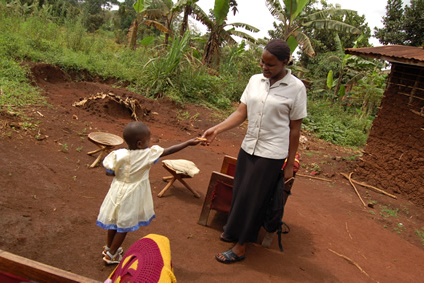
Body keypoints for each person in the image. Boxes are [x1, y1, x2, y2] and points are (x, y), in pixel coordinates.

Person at [201, 39, 307, 264]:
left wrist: (289, 164)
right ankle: (232, 231)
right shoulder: (255, 81)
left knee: (255, 199)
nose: (264, 68)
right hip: (249, 146)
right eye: (262, 62)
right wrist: (216, 129)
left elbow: (295, 129)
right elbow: (241, 113)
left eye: (271, 65)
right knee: (240, 192)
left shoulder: (296, 88)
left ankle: (240, 246)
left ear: (285, 63)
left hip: (272, 153)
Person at [97, 121, 201, 264]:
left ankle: (108, 247)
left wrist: (123, 174)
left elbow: (109, 172)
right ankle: (112, 255)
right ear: (140, 143)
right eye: (148, 140)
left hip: (116, 191)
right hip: (131, 195)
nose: (150, 143)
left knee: (114, 220)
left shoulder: (117, 154)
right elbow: (169, 151)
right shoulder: (147, 155)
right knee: (124, 225)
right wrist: (188, 143)